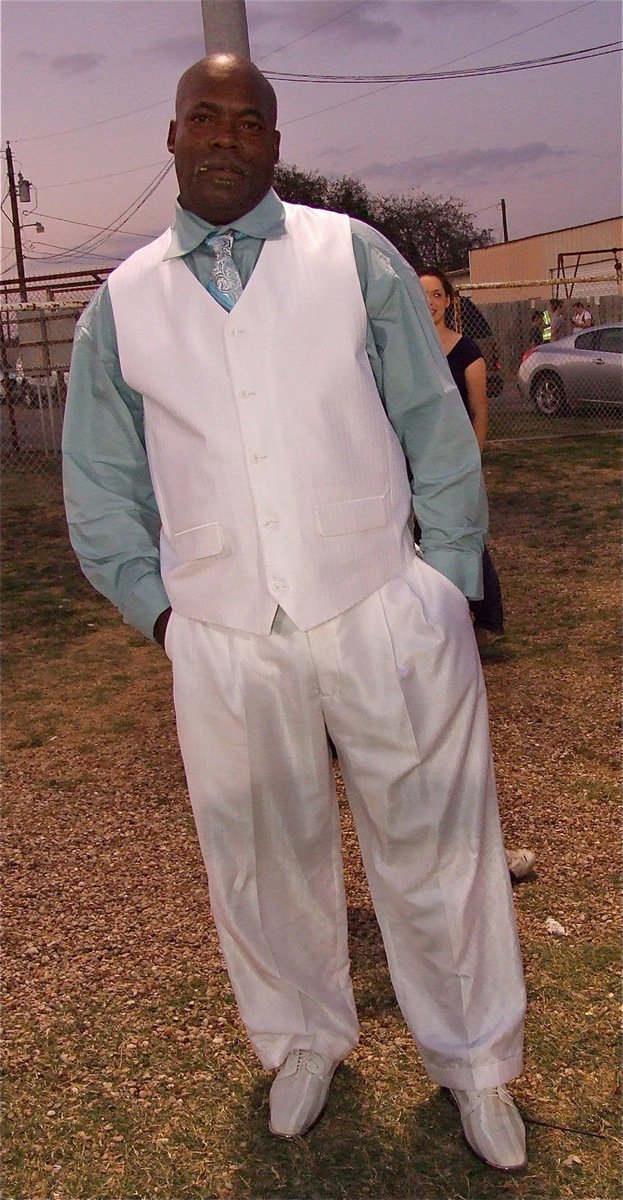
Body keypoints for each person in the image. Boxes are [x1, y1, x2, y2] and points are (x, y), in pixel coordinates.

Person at [62, 54, 527, 1171]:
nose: (226, 136)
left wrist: (444, 584)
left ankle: (473, 1064)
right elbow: (100, 485)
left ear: (275, 141)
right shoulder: (121, 304)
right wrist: (166, 619)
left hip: (379, 601)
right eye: (203, 117)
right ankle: (303, 1039)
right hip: (222, 630)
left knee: (435, 841)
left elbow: (429, 417)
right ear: (169, 136)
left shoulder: (349, 256)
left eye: (250, 121)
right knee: (258, 854)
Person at [418, 268, 535, 883]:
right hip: (398, 530)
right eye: (418, 293)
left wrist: (460, 491)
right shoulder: (386, 354)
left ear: (450, 302)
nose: (426, 302)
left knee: (453, 690)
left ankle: (477, 849)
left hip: (445, 518)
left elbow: (476, 423)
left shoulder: (461, 356)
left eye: (435, 293)